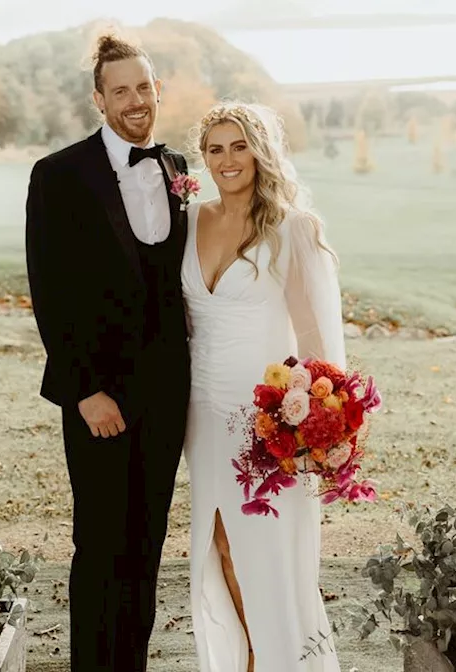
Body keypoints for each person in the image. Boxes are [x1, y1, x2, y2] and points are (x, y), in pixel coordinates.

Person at [23, 32, 192, 672]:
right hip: (98, 394)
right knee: (99, 543)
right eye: (120, 90)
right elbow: (50, 292)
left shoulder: (178, 171)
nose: (135, 100)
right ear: (99, 99)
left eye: (144, 87)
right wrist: (84, 389)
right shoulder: (59, 174)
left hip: (167, 394)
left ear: (158, 91)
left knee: (147, 542)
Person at [182, 102, 345, 672]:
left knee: (269, 555)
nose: (227, 160)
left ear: (260, 151)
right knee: (218, 544)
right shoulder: (189, 221)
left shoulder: (291, 229)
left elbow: (315, 336)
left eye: (239, 146)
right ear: (203, 158)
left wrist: (318, 424)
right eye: (215, 149)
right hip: (201, 413)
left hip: (267, 419)